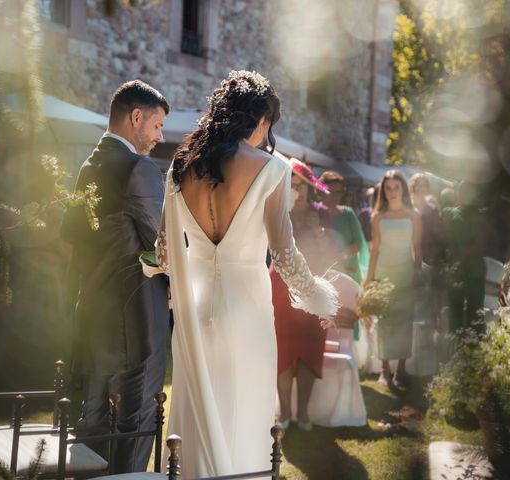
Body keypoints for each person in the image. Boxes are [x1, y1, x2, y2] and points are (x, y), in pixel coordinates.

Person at [154, 71, 338, 478]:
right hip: (247, 307)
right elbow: (285, 254)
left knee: (199, 405)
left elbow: (163, 250)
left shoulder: (181, 168)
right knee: (245, 408)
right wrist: (321, 299)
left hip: (196, 306)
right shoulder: (272, 169)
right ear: (259, 120)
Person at [60, 80, 170, 473]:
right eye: (157, 126)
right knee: (134, 422)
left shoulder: (88, 165)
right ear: (136, 117)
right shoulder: (138, 169)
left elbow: (70, 241)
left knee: (93, 421)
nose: (160, 136)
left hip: (92, 312)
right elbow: (164, 247)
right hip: (135, 318)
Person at [272, 162, 337, 432]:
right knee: (284, 348)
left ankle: (304, 412)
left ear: (309, 188)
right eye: (292, 183)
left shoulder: (321, 214)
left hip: (314, 284)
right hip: (281, 285)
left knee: (311, 346)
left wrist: (317, 231)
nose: (296, 188)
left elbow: (331, 254)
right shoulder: (276, 209)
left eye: (300, 184)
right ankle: (285, 411)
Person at [366, 170, 422, 389]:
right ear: (383, 191)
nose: (392, 192)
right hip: (383, 274)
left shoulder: (413, 216)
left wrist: (418, 275)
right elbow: (375, 249)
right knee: (385, 322)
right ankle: (384, 369)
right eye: (388, 188)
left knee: (403, 322)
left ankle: (401, 371)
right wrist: (369, 280)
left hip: (405, 273)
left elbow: (417, 248)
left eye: (396, 187)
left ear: (403, 189)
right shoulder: (378, 216)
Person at [440, 181, 488, 333]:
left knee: (476, 309)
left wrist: (462, 258)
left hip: (475, 268)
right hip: (455, 268)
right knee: (455, 308)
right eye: (463, 191)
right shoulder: (449, 212)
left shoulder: (481, 214)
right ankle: (455, 348)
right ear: (458, 194)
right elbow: (443, 238)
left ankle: (476, 348)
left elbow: (481, 242)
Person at [318, 171, 369, 284]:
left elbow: (358, 243)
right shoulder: (314, 214)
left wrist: (339, 257)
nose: (334, 196)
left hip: (350, 273)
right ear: (321, 191)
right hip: (324, 275)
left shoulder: (348, 213)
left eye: (339, 192)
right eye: (330, 192)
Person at [408, 173, 441, 266]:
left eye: (424, 185)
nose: (421, 188)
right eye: (418, 185)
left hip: (427, 255)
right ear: (413, 186)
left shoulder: (432, 209)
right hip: (408, 253)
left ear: (427, 188)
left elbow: (437, 234)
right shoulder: (406, 208)